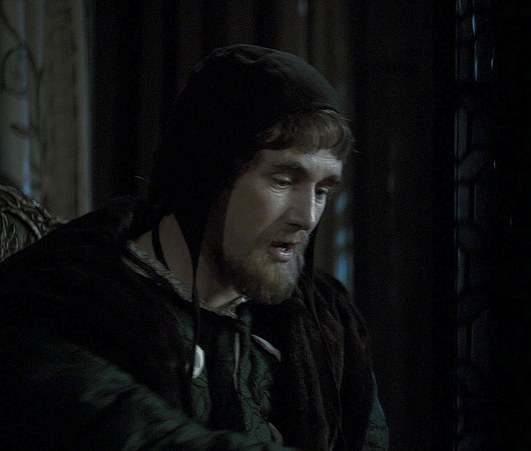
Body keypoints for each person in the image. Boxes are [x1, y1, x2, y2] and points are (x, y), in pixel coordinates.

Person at [0, 44, 388, 450]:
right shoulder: (73, 302)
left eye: (322, 190)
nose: (307, 217)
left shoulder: (324, 323)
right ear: (209, 176)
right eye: (283, 180)